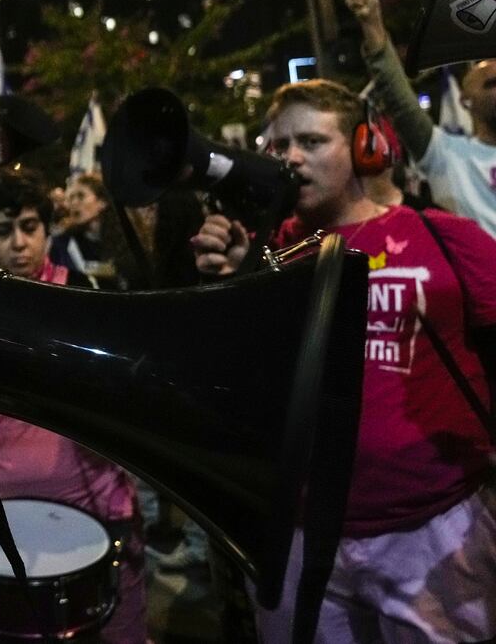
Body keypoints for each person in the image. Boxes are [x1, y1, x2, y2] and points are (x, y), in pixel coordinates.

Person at [191, 80, 496, 644]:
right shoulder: (264, 255)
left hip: (432, 532)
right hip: (298, 533)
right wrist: (230, 285)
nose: (291, 159)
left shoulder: (444, 238)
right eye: (278, 146)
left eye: (311, 140)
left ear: (364, 148)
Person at [0, 167, 147, 643]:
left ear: (48, 230)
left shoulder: (86, 295)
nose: (19, 243)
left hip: (93, 510)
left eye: (30, 227)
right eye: (3, 232)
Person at [346, 0, 496, 237]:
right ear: (465, 100)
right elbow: (399, 100)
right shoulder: (446, 155)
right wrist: (372, 23)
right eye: (491, 84)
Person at [51, 172, 123, 289]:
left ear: (102, 202)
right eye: (71, 198)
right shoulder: (62, 244)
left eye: (81, 196)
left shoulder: (123, 241)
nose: (74, 203)